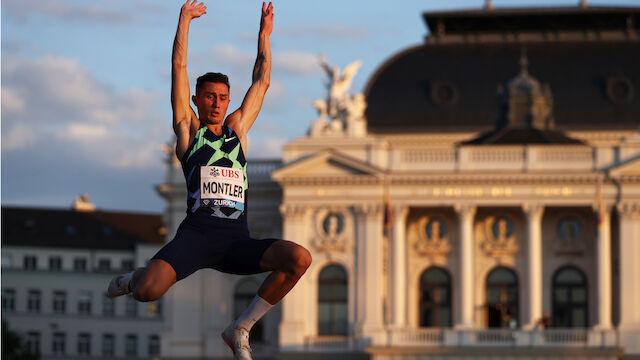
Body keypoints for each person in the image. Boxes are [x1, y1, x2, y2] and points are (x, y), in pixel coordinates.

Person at [106, 1, 312, 359]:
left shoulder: (237, 131)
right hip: (196, 239)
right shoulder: (189, 132)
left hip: (235, 241)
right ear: (196, 100)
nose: (217, 104)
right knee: (149, 291)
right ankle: (132, 279)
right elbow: (178, 66)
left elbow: (262, 79)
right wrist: (183, 21)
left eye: (222, 98)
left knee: (299, 258)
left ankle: (240, 328)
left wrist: (264, 35)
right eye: (209, 98)